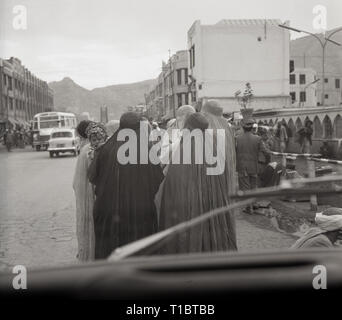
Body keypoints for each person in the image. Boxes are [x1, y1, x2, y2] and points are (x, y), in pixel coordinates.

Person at [158, 113, 237, 254]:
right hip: (212, 201)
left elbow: (175, 181)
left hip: (189, 205)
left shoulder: (185, 147)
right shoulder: (213, 144)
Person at [88, 112, 164, 259]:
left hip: (109, 210)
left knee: (111, 251)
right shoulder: (146, 149)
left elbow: (94, 178)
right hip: (139, 211)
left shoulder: (106, 148)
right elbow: (156, 179)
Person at [73, 121, 107, 262]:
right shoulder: (92, 150)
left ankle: (86, 253)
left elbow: (77, 182)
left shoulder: (85, 150)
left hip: (85, 195)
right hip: (94, 194)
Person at [236, 118, 270, 213]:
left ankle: (249, 207)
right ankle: (254, 204)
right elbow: (266, 152)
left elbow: (233, 153)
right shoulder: (258, 139)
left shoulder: (237, 139)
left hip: (242, 167)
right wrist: (267, 161)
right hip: (254, 167)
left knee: (245, 187)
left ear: (243, 128)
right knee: (253, 186)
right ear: (252, 128)